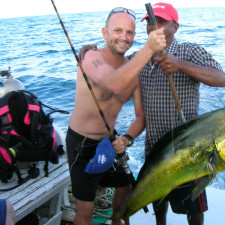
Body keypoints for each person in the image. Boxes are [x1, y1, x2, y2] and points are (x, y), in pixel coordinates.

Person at [66, 7, 166, 225]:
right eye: (118, 30)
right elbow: (114, 83)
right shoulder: (91, 57)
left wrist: (127, 139)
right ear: (104, 33)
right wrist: (148, 49)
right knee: (86, 209)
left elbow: (141, 117)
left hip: (109, 141)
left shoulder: (133, 69)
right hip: (80, 143)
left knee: (125, 188)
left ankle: (116, 221)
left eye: (130, 32)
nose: (124, 37)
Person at [136, 3, 225, 225]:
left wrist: (180, 64)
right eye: (150, 21)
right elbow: (115, 65)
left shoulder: (189, 50)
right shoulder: (138, 58)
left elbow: (220, 79)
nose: (153, 26)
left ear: (175, 27)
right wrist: (93, 51)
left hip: (189, 151)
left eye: (161, 21)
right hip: (155, 148)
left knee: (193, 207)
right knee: (160, 202)